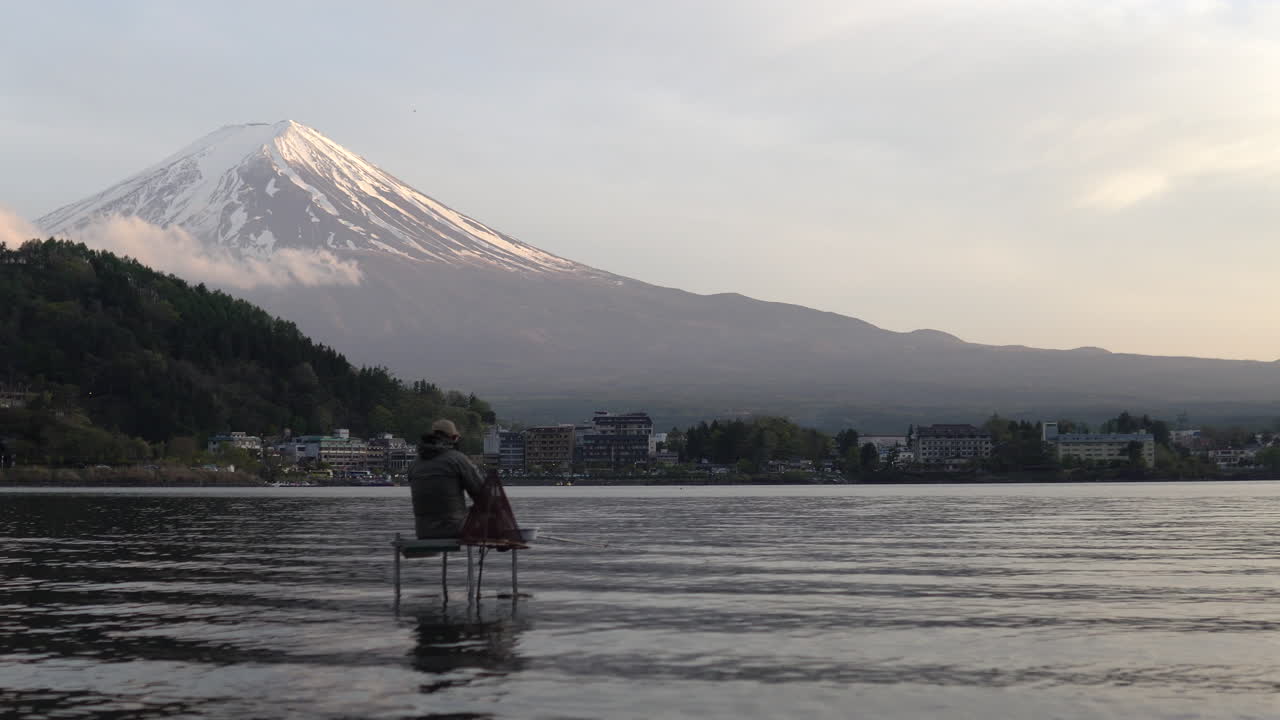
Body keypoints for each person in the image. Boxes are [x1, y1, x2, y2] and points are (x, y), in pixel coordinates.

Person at [408, 419, 485, 539]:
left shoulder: (414, 464)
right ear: (453, 438)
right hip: (454, 529)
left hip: (423, 532)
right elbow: (482, 494)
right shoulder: (457, 459)